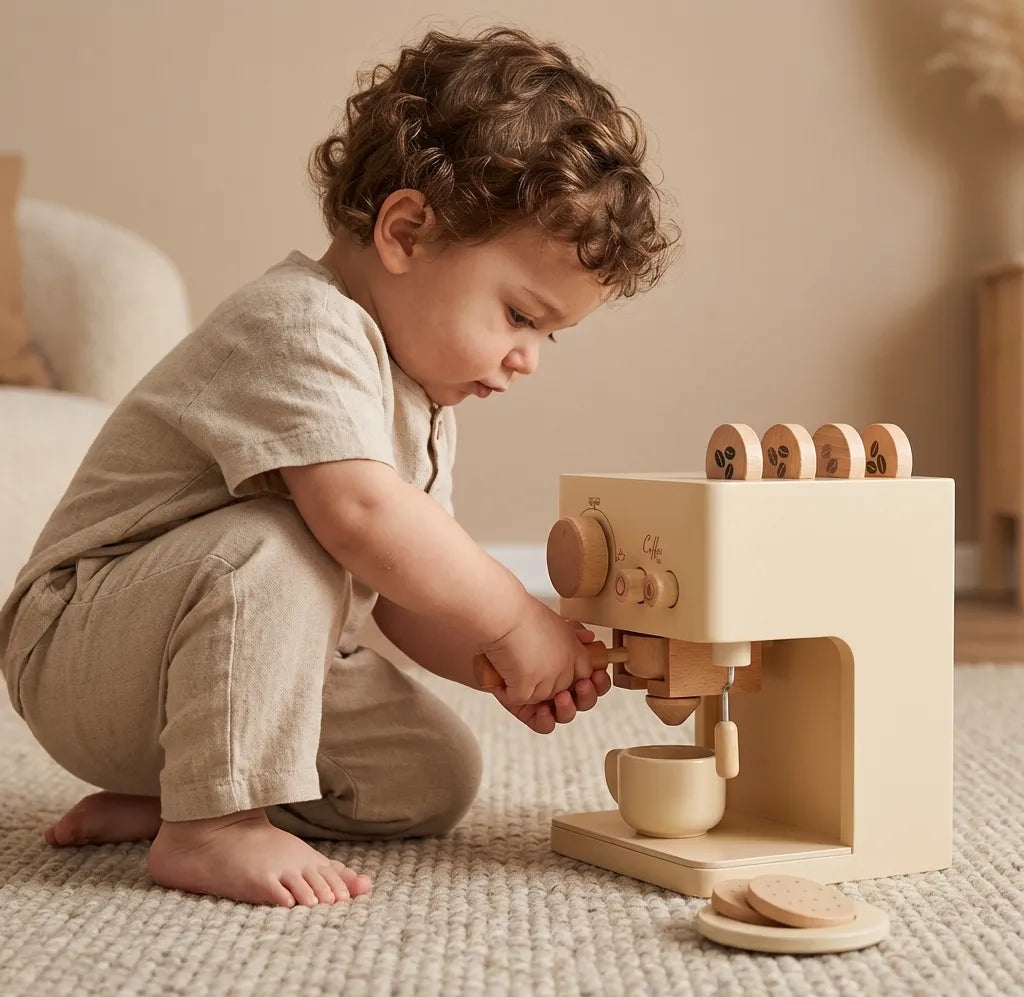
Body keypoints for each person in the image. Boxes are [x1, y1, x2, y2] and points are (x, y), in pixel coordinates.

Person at [0, 25, 678, 909]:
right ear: (405, 230)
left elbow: (397, 591)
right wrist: (511, 614)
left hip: (216, 665)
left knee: (432, 777)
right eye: (519, 314)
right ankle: (213, 827)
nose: (528, 359)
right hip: (85, 644)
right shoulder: (301, 325)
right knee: (279, 537)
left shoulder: (423, 398)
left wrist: (493, 659)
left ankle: (182, 787)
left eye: (550, 335)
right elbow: (359, 520)